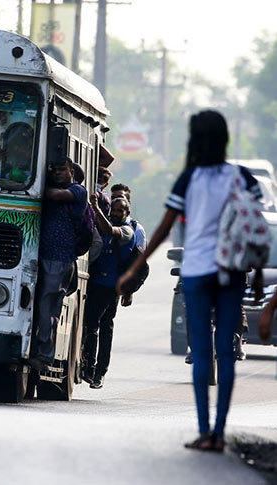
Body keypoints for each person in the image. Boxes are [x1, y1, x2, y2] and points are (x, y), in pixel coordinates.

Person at [118, 110, 262, 452]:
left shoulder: (190, 178)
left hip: (197, 271)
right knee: (225, 352)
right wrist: (254, 278)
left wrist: (133, 268)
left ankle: (203, 431)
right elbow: (255, 227)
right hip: (232, 272)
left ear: (195, 140)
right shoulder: (242, 178)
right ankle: (220, 432)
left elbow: (165, 227)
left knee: (201, 351)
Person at [29, 158, 87, 371]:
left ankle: (44, 356)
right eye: (54, 171)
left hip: (59, 259)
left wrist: (30, 181)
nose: (58, 173)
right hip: (40, 256)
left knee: (47, 307)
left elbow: (55, 195)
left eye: (62, 169)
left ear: (71, 171)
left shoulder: (78, 191)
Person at [81, 196, 136, 389]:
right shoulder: (104, 225)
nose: (115, 213)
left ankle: (99, 371)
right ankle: (89, 367)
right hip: (96, 282)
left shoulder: (127, 231)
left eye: (120, 210)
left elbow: (109, 230)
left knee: (102, 327)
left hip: (111, 287)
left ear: (127, 213)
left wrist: (96, 207)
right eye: (113, 209)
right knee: (91, 326)